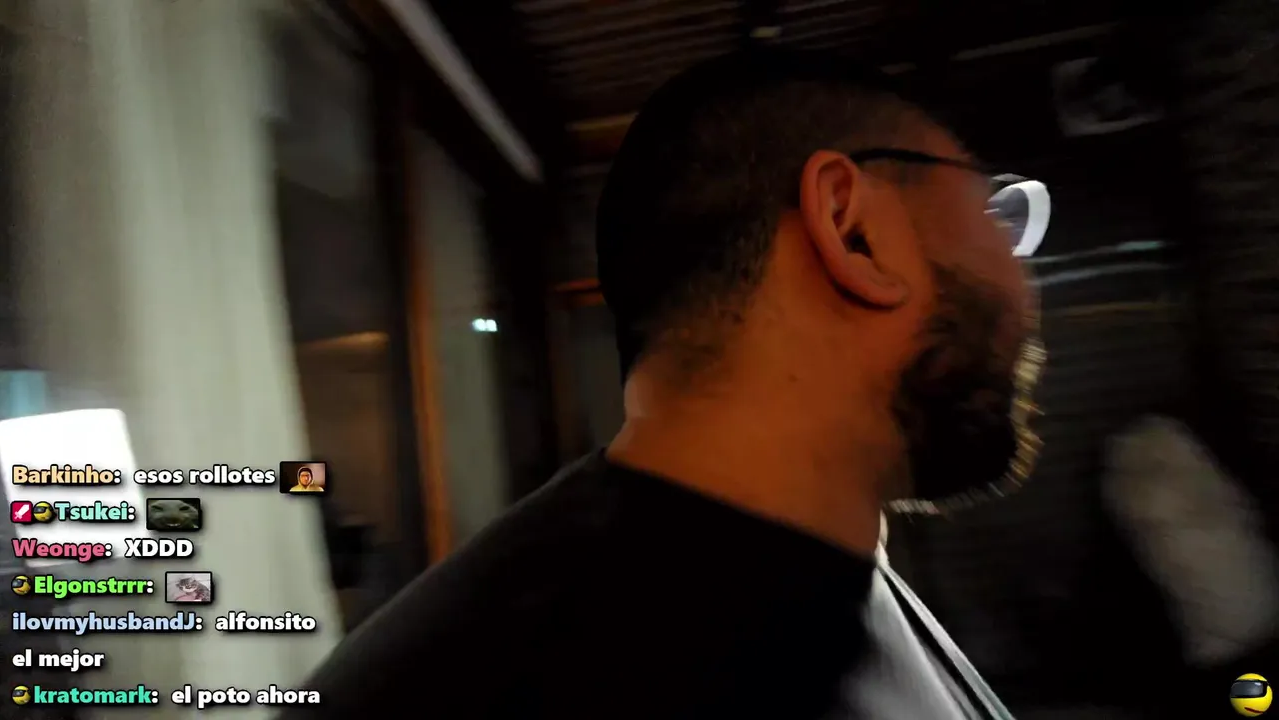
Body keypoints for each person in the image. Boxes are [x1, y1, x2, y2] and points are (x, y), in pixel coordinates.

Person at [284, 49, 1049, 719]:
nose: (1024, 284)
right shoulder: (508, 685)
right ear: (854, 231)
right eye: (995, 217)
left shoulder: (822, 560)